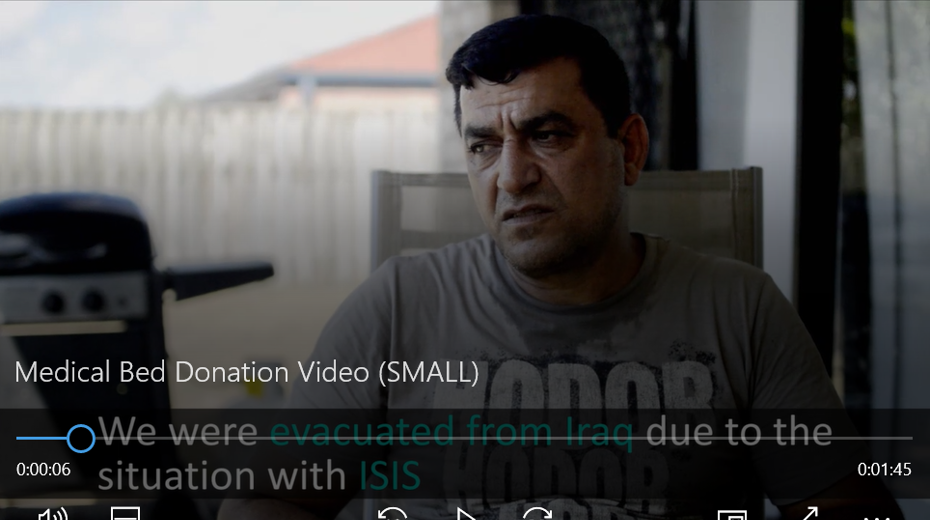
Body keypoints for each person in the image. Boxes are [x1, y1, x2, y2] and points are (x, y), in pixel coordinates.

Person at [220, 14, 903, 520]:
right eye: (483, 146)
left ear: (628, 149)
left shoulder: (739, 309)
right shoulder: (397, 307)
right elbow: (267, 502)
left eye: (546, 135)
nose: (511, 177)